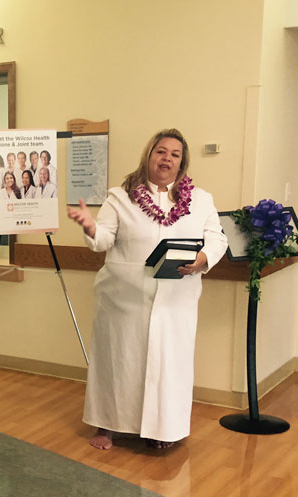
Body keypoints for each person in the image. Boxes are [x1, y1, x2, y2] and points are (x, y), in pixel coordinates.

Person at [67, 128, 227, 450]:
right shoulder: (120, 196)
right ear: (149, 155)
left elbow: (217, 237)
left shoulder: (200, 200)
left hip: (175, 301)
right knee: (118, 363)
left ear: (182, 162)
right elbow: (103, 240)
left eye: (174, 154)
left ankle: (162, 429)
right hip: (124, 300)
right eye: (161, 151)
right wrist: (89, 226)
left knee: (168, 367)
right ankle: (107, 426)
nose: (167, 158)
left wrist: (202, 259)